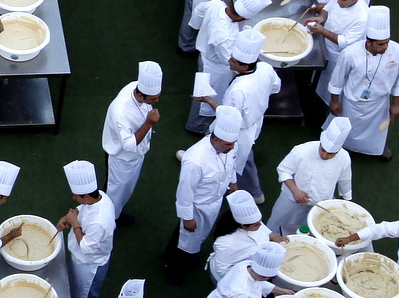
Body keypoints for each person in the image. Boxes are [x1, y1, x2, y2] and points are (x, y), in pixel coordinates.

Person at [165, 106, 241, 283]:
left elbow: (232, 165)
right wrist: (187, 217)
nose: (232, 147)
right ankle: (172, 265)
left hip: (214, 202)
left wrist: (233, 183)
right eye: (228, 144)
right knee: (185, 234)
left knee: (197, 235)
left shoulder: (230, 147)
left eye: (233, 143)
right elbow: (185, 192)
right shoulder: (196, 159)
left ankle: (189, 253)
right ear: (215, 139)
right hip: (197, 206)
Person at [324, 6, 399, 160]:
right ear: (368, 42)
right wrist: (334, 101)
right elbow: (337, 80)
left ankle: (376, 148)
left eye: (387, 43)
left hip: (379, 103)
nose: (385, 47)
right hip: (351, 102)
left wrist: (396, 104)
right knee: (347, 128)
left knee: (376, 131)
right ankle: (337, 147)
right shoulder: (350, 53)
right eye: (381, 44)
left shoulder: (398, 52)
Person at [211, 29, 280, 201]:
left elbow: (228, 118)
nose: (229, 61)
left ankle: (255, 193)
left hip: (240, 131)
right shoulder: (265, 67)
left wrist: (207, 100)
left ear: (244, 66)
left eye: (233, 61)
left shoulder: (239, 90)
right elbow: (276, 87)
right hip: (255, 121)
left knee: (241, 160)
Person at [186, 0, 269, 134]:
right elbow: (230, 61)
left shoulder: (216, 4)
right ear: (241, 17)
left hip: (205, 54)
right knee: (206, 99)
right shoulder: (224, 38)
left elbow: (199, 10)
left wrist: (195, 25)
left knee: (204, 95)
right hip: (215, 69)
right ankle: (197, 127)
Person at [59, 160, 117, 298]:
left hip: (90, 265)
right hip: (80, 259)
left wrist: (75, 224)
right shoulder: (99, 196)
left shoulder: (99, 221)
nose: (74, 198)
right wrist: (70, 217)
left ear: (86, 195)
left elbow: (86, 248)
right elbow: (82, 208)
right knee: (75, 289)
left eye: (76, 196)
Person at [265, 120, 354, 235]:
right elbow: (283, 170)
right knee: (278, 223)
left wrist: (347, 200)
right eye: (323, 150)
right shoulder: (301, 151)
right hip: (292, 200)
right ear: (321, 143)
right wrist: (295, 190)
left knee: (312, 229)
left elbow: (345, 179)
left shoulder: (344, 157)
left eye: (331, 154)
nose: (325, 155)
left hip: (321, 202)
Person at [101, 62, 163, 222]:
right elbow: (128, 145)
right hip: (122, 159)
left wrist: (147, 129)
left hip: (136, 154)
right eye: (154, 98)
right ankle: (109, 220)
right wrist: (148, 124)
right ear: (140, 95)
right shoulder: (121, 111)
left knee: (125, 189)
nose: (157, 100)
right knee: (116, 191)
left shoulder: (136, 87)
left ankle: (116, 212)